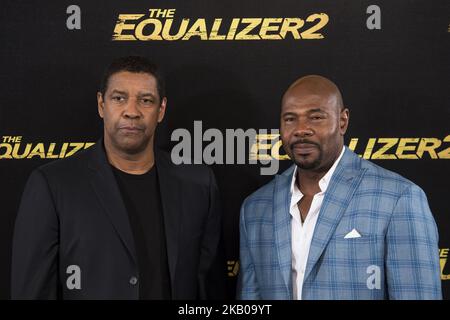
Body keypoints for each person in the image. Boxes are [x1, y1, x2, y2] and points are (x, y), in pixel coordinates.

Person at [11, 56, 226, 300]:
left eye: (145, 100)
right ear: (102, 105)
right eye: (119, 98)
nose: (131, 112)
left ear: (161, 110)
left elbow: (210, 289)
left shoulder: (198, 185)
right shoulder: (53, 185)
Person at [237, 75, 442, 300]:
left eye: (315, 117)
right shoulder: (256, 208)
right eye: (290, 119)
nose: (301, 129)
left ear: (342, 121)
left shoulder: (399, 198)